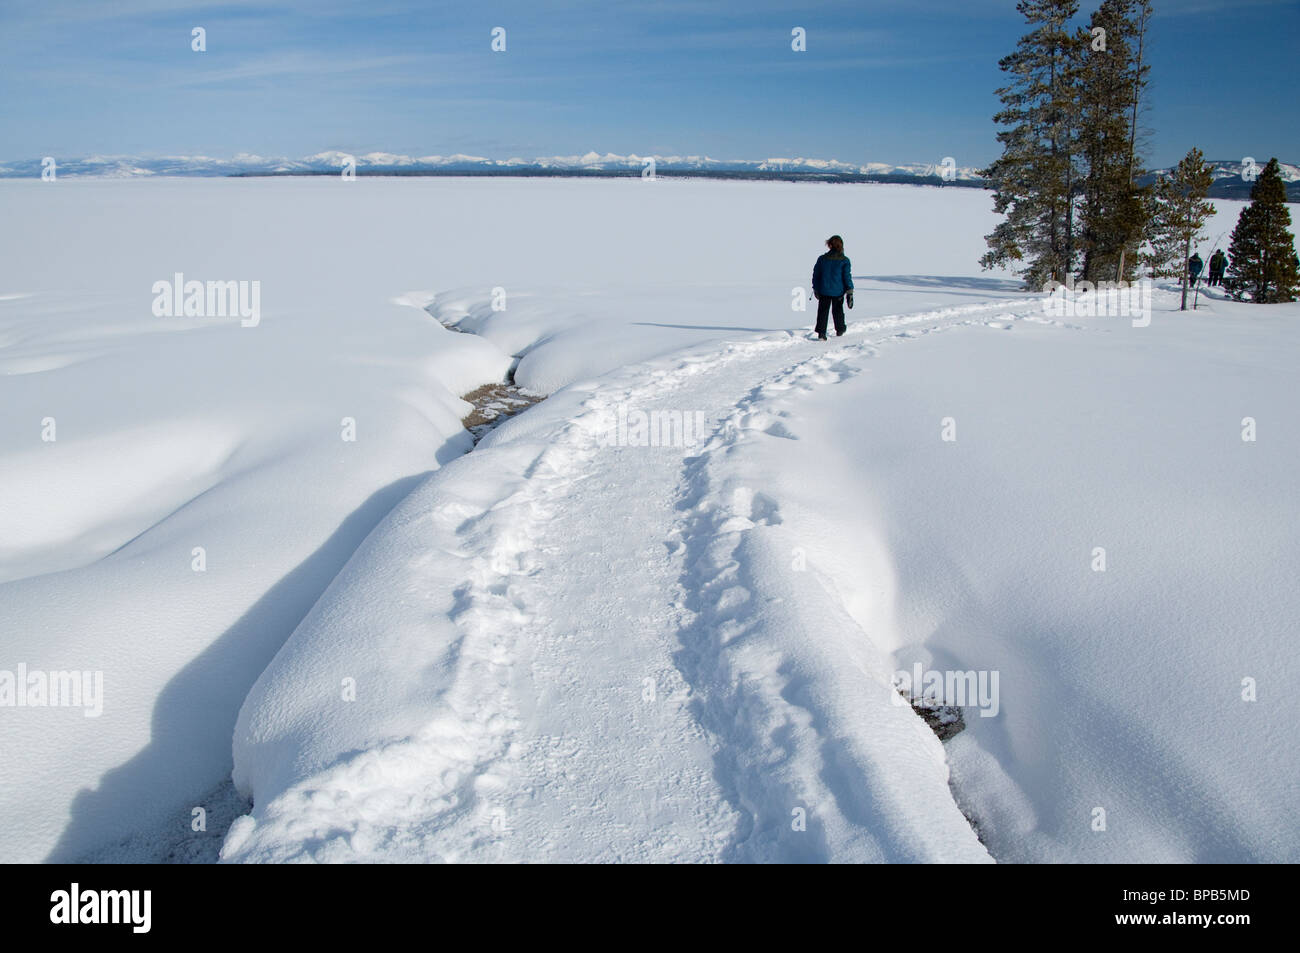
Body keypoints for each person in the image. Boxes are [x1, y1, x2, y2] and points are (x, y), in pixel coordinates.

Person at [811, 235, 854, 340]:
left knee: (822, 311)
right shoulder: (844, 260)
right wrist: (850, 291)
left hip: (823, 290)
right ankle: (840, 329)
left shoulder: (822, 259)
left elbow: (816, 275)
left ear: (830, 245)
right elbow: (847, 276)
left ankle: (821, 333)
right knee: (838, 310)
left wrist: (815, 288)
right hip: (838, 291)